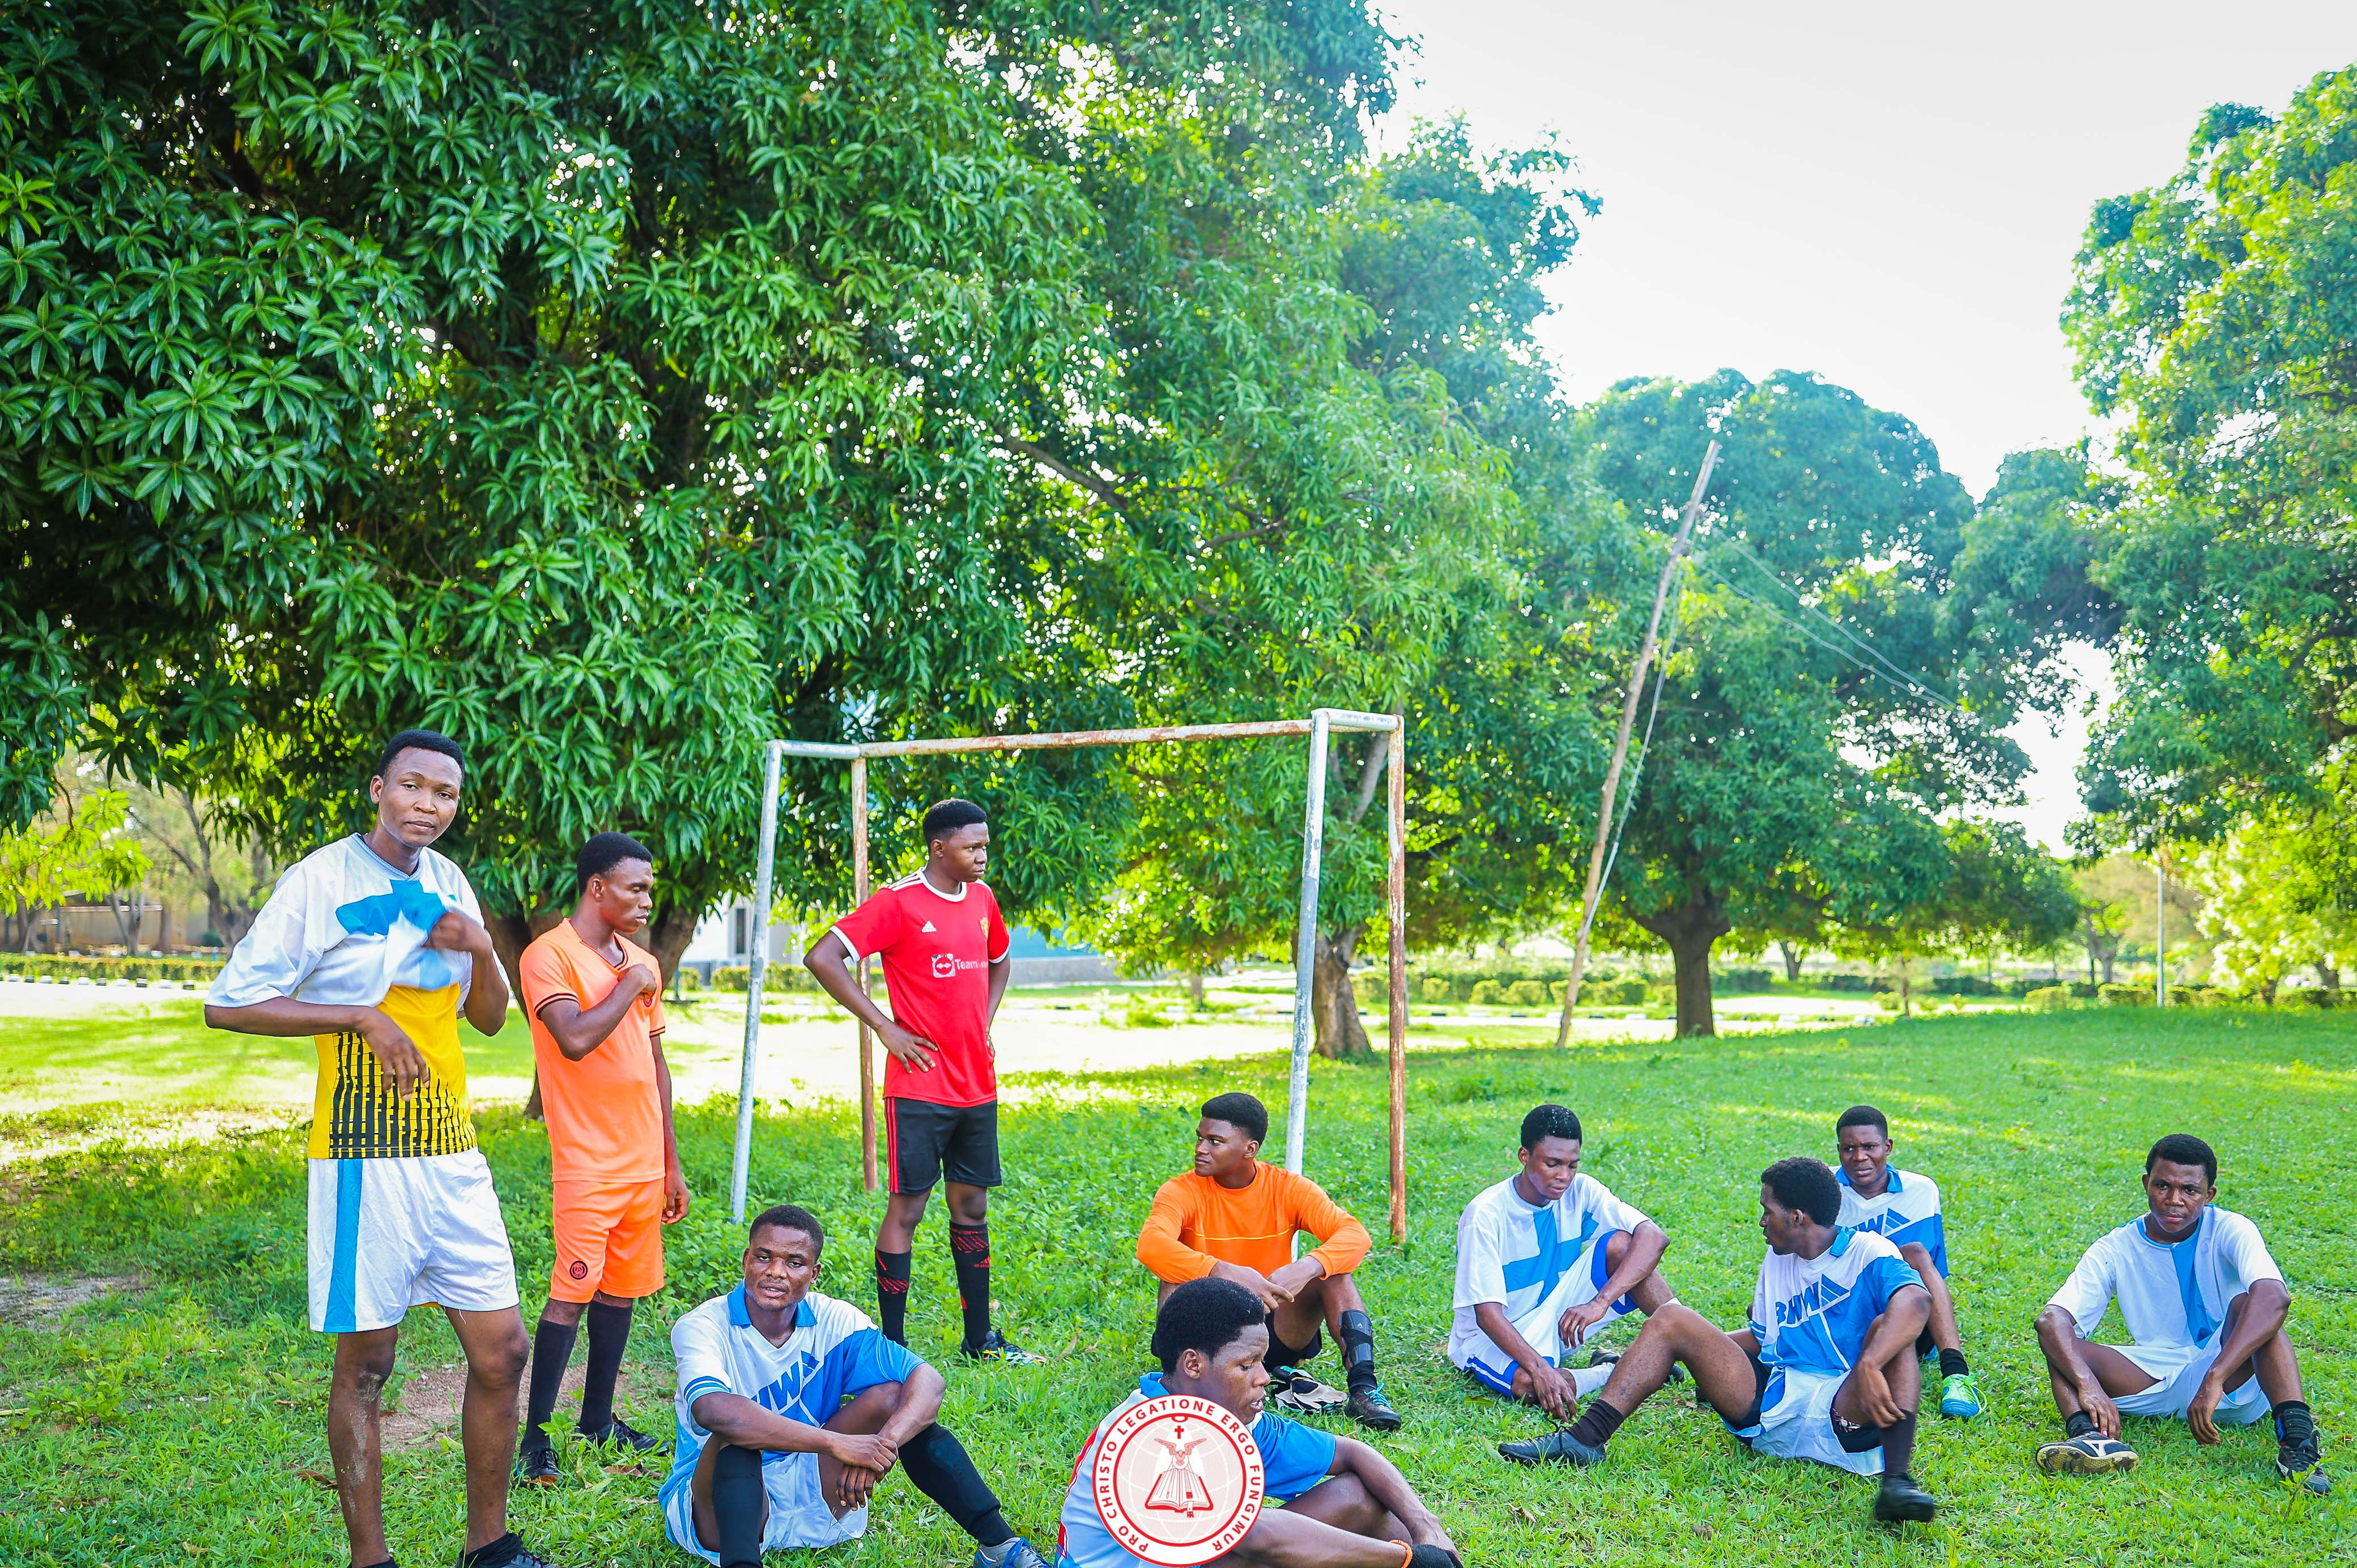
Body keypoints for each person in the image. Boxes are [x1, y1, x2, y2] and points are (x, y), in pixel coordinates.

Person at [204, 730, 548, 1568]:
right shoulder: (321, 880)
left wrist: (484, 951)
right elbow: (231, 1004)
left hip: (451, 1152)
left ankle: (490, 1546)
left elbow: (491, 1019)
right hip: (363, 1153)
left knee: (503, 1351)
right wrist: (359, 1014)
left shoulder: (449, 881)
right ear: (377, 788)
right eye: (413, 787)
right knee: (369, 1364)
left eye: (446, 794)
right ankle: (371, 1559)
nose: (429, 806)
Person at [1500, 1156, 1939, 1526]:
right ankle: (1584, 1440)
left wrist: (1869, 1364)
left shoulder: (1869, 1251)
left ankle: (1897, 1484)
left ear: (1797, 1217)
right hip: (1775, 1410)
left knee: (1892, 1328)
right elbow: (1763, 1340)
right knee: (1674, 1319)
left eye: (1768, 1210)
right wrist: (1682, 1351)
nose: (1762, 1220)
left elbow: (1917, 1303)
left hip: (1849, 1412)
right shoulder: (1777, 1260)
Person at [662, 1205, 1051, 1568]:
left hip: (814, 1487)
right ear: (747, 1260)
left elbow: (929, 1382)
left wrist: (881, 1448)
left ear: (814, 1273)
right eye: (764, 1257)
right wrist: (840, 1444)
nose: (776, 1272)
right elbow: (714, 1411)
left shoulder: (836, 1320)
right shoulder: (703, 1326)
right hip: (716, 1504)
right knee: (736, 1438)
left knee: (893, 1397)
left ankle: (1000, 1547)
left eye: (794, 1262)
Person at [803, 798, 1039, 1363]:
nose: (982, 855)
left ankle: (979, 1339)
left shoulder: (982, 899)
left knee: (972, 1206)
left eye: (985, 844)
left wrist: (983, 1019)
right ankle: (892, 1347)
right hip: (918, 1087)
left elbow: (1000, 960)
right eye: (970, 846)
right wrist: (884, 1026)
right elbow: (822, 956)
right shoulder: (899, 902)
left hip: (976, 1084)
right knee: (907, 1209)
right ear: (939, 848)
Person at [1057, 1278, 1462, 1568]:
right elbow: (1261, 1537)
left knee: (1358, 1497)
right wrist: (1406, 1559)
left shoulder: (1234, 1416)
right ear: (1193, 1364)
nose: (1264, 1378)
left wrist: (1427, 1529)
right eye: (1246, 1365)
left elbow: (1353, 1453)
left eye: (1262, 1363)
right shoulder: (1149, 1435)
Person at [512, 832, 692, 1484]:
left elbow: (656, 1064)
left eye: (650, 887)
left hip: (644, 1162)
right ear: (597, 888)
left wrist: (671, 1161)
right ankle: (536, 1439)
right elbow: (576, 1038)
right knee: (571, 1293)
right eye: (636, 887)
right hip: (588, 1163)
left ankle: (597, 1419)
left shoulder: (640, 960)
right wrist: (630, 983)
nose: (648, 899)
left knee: (620, 1293)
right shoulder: (548, 955)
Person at [2031, 1134, 2328, 1494]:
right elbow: (2051, 1321)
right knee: (2062, 1342)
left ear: (2209, 1195)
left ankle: (2297, 1444)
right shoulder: (2116, 1247)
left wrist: (2216, 1375)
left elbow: (2275, 1298)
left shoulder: (2232, 1228)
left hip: (2232, 1382)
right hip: (2154, 1376)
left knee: (2250, 1309)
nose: (2175, 1201)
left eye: (2190, 1190)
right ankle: (2090, 1438)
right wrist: (2086, 1384)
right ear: (2146, 1184)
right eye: (2163, 1186)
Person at [1136, 1092, 1402, 1430]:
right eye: (1200, 1138)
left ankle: (1364, 1390)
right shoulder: (1180, 1191)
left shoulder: (1288, 1188)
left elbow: (1355, 1235)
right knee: (1171, 1274)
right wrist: (1224, 1272)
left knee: (1334, 1274)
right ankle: (1180, 1384)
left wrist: (1307, 1266)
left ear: (1250, 1149)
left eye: (1215, 1141)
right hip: (1204, 1342)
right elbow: (1151, 1246)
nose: (1201, 1149)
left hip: (1268, 1331)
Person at [1448, 1103, 1678, 1424]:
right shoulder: (1485, 1214)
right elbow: (1487, 1316)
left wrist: (1600, 1303)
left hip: (1558, 1320)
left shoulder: (1581, 1189)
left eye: (1572, 1165)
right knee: (1533, 1387)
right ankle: (1611, 1369)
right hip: (1491, 1336)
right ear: (1524, 1156)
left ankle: (1693, 1345)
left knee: (1625, 1245)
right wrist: (1541, 1370)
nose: (1564, 1176)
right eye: (1552, 1164)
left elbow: (1654, 1237)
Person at [1833, 1105, 1980, 1419]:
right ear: (1839, 1151)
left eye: (1870, 1147)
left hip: (1907, 1315)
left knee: (1914, 1252)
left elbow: (1932, 1273)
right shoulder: (1826, 1192)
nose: (1860, 1158)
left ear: (1887, 1147)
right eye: (1850, 1148)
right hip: (1843, 1313)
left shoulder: (1921, 1191)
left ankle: (1956, 1375)